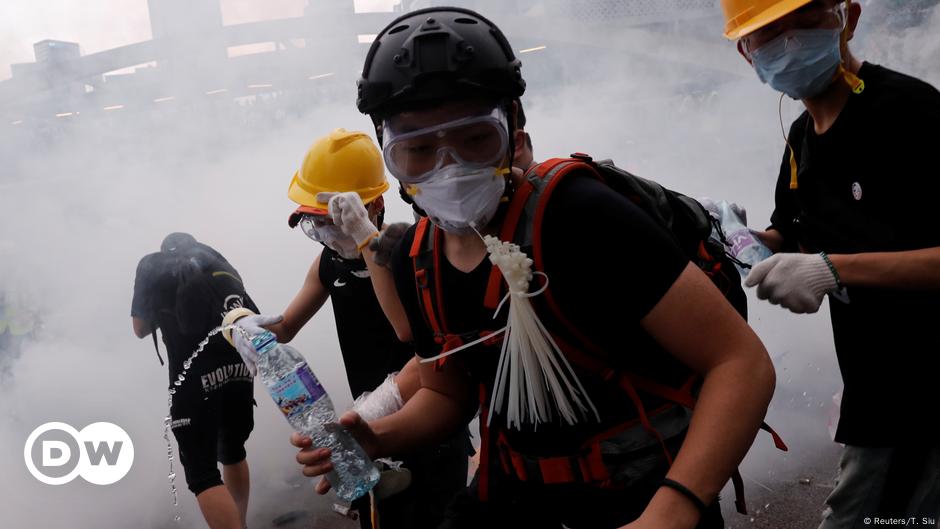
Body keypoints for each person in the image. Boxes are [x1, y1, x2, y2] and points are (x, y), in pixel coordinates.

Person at [292, 7, 777, 529]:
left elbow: (740, 364)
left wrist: (673, 510)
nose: (448, 167)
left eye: (475, 138)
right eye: (417, 149)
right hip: (514, 492)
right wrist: (377, 436)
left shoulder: (582, 218)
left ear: (513, 127)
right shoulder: (420, 258)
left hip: (640, 493)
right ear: (389, 155)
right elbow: (446, 391)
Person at [720, 1, 940, 526]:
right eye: (769, 35)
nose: (791, 43)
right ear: (747, 54)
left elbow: (825, 259)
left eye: (807, 20)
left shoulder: (910, 111)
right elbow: (797, 234)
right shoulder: (801, 140)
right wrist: (739, 239)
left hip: (923, 398)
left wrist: (833, 269)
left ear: (849, 18)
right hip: (875, 389)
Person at [224, 129, 469, 529]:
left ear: (373, 205)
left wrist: (364, 237)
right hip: (365, 429)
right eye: (315, 225)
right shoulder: (330, 262)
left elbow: (404, 329)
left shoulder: (403, 245)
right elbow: (285, 327)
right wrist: (240, 323)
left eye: (333, 221)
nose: (325, 235)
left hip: (425, 423)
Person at [131, 232, 257, 529]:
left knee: (202, 474)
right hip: (238, 371)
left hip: (193, 381)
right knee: (233, 451)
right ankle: (240, 522)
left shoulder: (152, 268)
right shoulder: (217, 262)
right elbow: (248, 311)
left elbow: (139, 328)